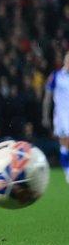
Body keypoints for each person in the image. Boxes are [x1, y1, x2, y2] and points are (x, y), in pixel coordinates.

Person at [42, 50, 69, 184]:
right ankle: (67, 172)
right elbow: (48, 97)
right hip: (63, 116)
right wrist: (45, 115)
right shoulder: (56, 76)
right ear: (65, 61)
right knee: (65, 144)